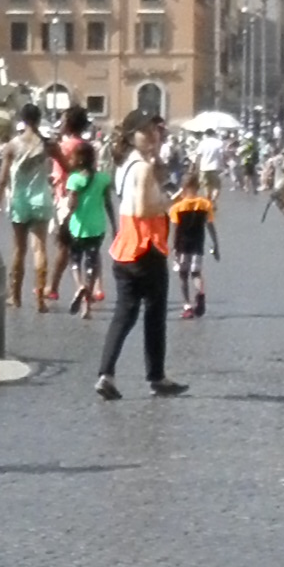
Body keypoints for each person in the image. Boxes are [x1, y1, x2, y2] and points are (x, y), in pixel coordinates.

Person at [94, 119, 187, 404]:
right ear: (133, 135)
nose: (153, 135)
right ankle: (156, 377)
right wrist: (170, 202)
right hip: (147, 246)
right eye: (146, 131)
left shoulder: (123, 165)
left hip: (124, 246)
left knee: (124, 313)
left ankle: (105, 375)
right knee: (154, 314)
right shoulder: (144, 167)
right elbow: (143, 207)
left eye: (156, 130)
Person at [0, 110, 57, 309]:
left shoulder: (12, 146)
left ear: (22, 120)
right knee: (40, 249)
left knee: (19, 249)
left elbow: (1, 180)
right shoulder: (47, 145)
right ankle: (40, 299)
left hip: (19, 200)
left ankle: (15, 296)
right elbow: (67, 165)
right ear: (40, 119)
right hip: (41, 198)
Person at [54, 112, 110, 315]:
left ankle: (78, 286)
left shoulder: (74, 179)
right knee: (93, 262)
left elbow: (72, 204)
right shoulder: (103, 178)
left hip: (78, 226)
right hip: (98, 227)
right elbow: (109, 203)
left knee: (75, 260)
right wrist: (114, 224)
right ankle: (88, 305)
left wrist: (66, 221)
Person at [169, 153, 219, 320]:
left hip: (182, 245)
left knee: (183, 276)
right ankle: (201, 293)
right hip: (198, 244)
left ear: (182, 188)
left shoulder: (177, 208)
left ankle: (187, 305)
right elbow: (210, 225)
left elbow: (175, 229)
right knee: (196, 273)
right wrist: (215, 245)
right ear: (198, 187)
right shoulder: (205, 204)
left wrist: (173, 248)